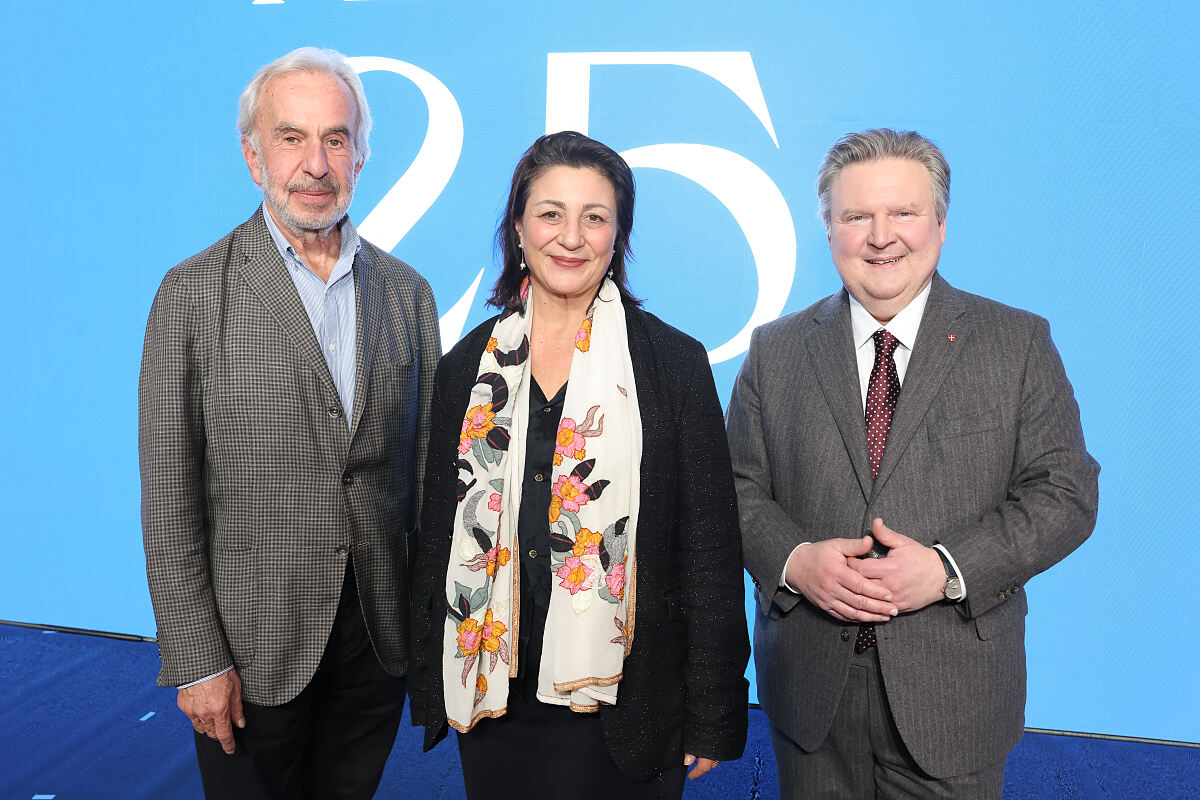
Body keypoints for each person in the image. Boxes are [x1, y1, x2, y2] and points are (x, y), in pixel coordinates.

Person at [726, 128, 1100, 798]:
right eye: (856, 216)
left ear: (941, 224)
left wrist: (948, 569)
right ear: (829, 229)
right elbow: (736, 489)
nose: (881, 236)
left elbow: (1065, 492)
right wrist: (793, 561)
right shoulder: (775, 351)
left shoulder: (1015, 343)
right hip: (811, 700)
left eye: (903, 213)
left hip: (955, 697)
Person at [408, 131, 749, 798]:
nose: (570, 236)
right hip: (496, 696)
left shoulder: (674, 366)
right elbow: (436, 541)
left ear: (617, 235)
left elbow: (709, 553)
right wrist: (428, 682)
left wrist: (712, 715)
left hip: (629, 706)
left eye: (594, 217)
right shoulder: (466, 369)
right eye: (550, 213)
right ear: (518, 228)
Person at [139, 47, 440, 799]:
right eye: (291, 137)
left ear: (361, 156)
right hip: (248, 650)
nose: (315, 163)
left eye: (335, 138)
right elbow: (168, 498)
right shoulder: (191, 294)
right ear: (252, 155)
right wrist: (197, 659)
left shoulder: (409, 296)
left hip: (376, 642)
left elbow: (431, 480)